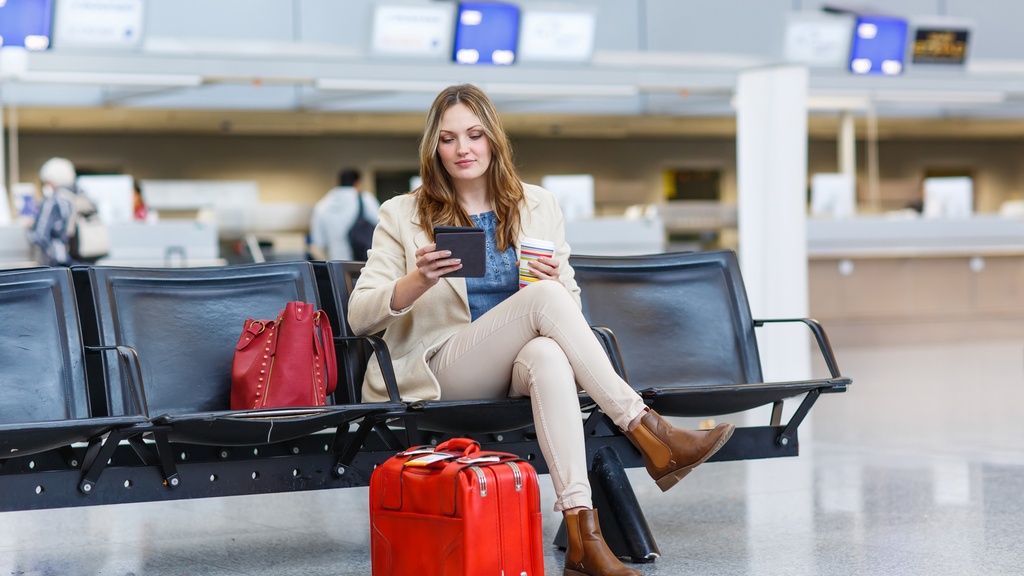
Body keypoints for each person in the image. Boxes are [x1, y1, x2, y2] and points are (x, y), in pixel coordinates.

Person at [348, 84, 735, 576]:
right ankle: (649, 431)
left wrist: (555, 286)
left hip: (515, 362)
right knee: (545, 303)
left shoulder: (537, 205)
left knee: (549, 356)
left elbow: (566, 307)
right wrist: (417, 280)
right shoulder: (403, 214)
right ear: (434, 147)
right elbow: (360, 315)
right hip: (440, 368)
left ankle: (582, 536)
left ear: (494, 139)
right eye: (448, 139)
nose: (462, 149)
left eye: (474, 134)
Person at [308, 168, 380, 261]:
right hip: (363, 263)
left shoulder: (321, 205)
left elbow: (318, 242)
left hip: (334, 265)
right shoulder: (364, 199)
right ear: (357, 183)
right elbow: (381, 225)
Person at [27, 157, 80, 266]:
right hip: (75, 260)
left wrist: (29, 227)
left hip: (55, 260)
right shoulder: (76, 198)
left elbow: (39, 236)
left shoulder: (52, 201)